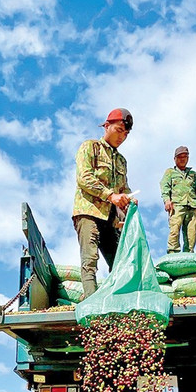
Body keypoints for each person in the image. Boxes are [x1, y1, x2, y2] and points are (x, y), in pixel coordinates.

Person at [73, 108, 135, 298]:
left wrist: (128, 200)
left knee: (119, 262)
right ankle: (91, 303)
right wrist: (110, 196)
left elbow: (123, 188)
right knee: (90, 260)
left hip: (110, 219)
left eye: (126, 134)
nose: (122, 137)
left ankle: (115, 300)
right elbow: (84, 178)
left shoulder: (121, 161)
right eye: (119, 130)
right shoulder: (90, 147)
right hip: (89, 212)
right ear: (107, 126)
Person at [160, 145, 196, 253]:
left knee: (191, 233)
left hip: (192, 206)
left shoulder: (193, 175)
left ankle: (189, 254)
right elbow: (164, 186)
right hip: (176, 206)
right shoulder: (170, 172)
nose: (182, 159)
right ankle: (173, 253)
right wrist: (167, 200)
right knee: (174, 230)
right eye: (180, 156)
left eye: (185, 156)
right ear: (175, 158)